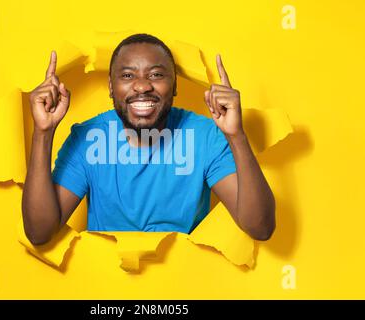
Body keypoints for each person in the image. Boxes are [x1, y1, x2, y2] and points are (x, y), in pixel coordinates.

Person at [21, 33, 275, 245]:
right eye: (128, 75)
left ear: (175, 85)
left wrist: (236, 135)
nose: (142, 86)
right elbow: (39, 233)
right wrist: (43, 133)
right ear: (111, 86)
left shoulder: (205, 136)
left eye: (156, 75)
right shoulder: (88, 139)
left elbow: (260, 228)